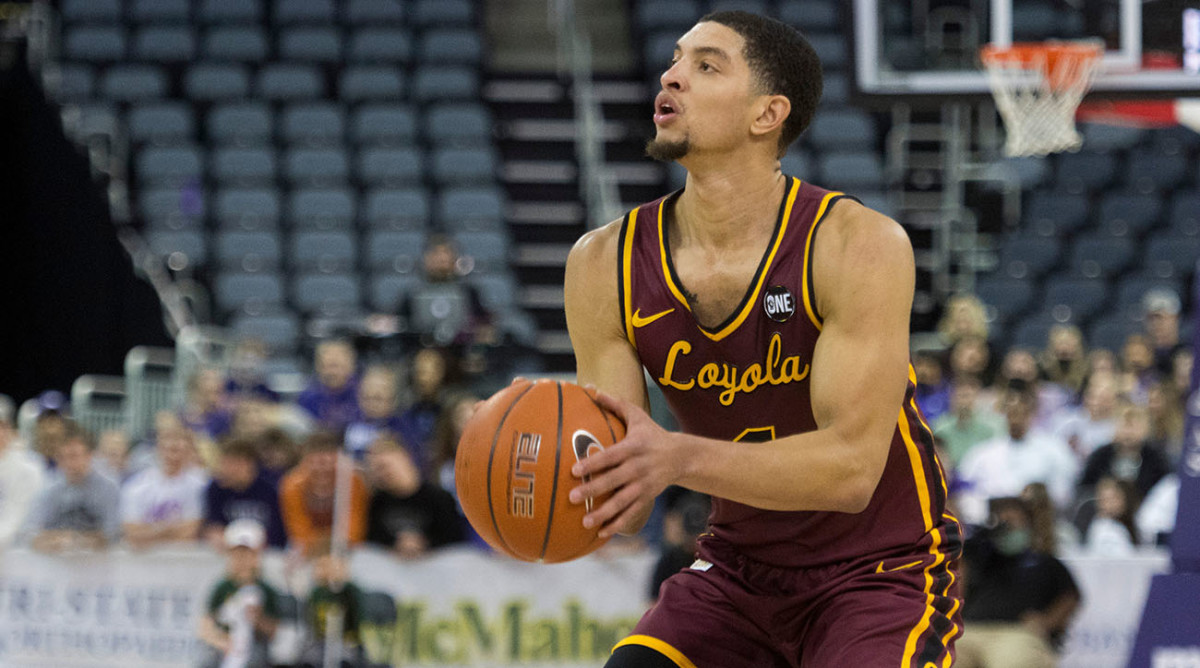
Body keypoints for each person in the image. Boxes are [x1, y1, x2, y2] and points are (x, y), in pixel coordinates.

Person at [562, 12, 961, 667]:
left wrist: (676, 457)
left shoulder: (855, 244)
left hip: (880, 572)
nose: (671, 75)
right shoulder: (601, 261)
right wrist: (552, 450)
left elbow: (851, 472)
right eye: (675, 60)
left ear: (766, 114)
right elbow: (626, 507)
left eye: (706, 65)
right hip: (738, 573)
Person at [955, 497, 1081, 668]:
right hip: (970, 630)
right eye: (1004, 522)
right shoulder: (978, 556)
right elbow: (957, 582)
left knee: (1014, 662)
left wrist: (1046, 622)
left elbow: (1071, 596)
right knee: (942, 660)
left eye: (1014, 521)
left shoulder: (1044, 561)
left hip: (1016, 632)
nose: (1009, 528)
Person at [954, 381, 1078, 525]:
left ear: (1031, 413)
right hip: (992, 524)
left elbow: (1064, 491)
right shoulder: (984, 453)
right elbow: (964, 488)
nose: (1015, 419)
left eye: (1021, 412)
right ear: (1004, 414)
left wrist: (1038, 499)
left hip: (1038, 523)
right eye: (1011, 413)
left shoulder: (1054, 450)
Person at [23, 421, 121, 552]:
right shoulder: (49, 490)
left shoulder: (108, 488)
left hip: (98, 565)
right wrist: (53, 540)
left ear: (89, 456)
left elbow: (113, 533)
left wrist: (75, 539)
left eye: (74, 456)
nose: (69, 463)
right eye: (63, 457)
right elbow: (31, 532)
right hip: (55, 566)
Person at [197, 519, 280, 668]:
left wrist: (258, 619)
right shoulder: (221, 588)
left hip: (255, 651)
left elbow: (274, 632)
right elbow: (206, 627)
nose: (242, 559)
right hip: (224, 650)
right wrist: (221, 641)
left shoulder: (267, 590)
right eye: (237, 554)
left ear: (257, 556)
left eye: (248, 554)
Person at [365, 436, 464, 559]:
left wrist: (424, 543)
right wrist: (396, 544)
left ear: (404, 458)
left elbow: (455, 540)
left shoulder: (439, 498)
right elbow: (372, 540)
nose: (382, 474)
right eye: (376, 470)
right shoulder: (378, 502)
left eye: (384, 466)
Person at [279, 432, 369, 557]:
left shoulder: (352, 481)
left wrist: (336, 550)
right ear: (304, 462)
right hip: (309, 547)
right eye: (314, 464)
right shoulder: (292, 485)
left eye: (328, 464)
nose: (322, 471)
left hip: (344, 546)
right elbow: (299, 532)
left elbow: (354, 529)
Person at [121, 423, 209, 549]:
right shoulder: (136, 485)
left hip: (185, 559)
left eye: (177, 450)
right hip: (144, 561)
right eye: (168, 449)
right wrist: (171, 530)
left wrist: (151, 531)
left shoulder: (200, 485)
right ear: (158, 449)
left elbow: (190, 532)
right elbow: (132, 533)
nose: (172, 456)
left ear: (189, 451)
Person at [203, 438, 289, 550]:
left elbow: (279, 532)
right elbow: (214, 526)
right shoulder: (216, 488)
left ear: (246, 464)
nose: (221, 469)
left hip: (267, 554)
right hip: (231, 553)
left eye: (227, 464)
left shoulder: (272, 488)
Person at [1077, 403, 1171, 501]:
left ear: (1146, 429)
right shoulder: (1100, 456)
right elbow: (1084, 489)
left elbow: (1165, 491)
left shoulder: (1156, 459)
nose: (1128, 433)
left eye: (1133, 427)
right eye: (1124, 426)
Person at [299, 541, 366, 668]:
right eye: (317, 565)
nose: (318, 571)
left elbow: (357, 618)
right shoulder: (316, 593)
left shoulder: (349, 592)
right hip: (319, 647)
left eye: (323, 565)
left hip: (347, 646)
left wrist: (342, 582)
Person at [0, 395, 45, 549]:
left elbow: (19, 517)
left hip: (17, 548)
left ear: (9, 429)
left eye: (2, 426)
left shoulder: (29, 467)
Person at [932, 375, 1002, 467]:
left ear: (977, 398)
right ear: (952, 399)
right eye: (960, 396)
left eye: (968, 396)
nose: (964, 402)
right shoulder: (940, 427)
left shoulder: (991, 428)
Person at [343, 366, 404, 462]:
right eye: (366, 398)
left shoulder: (403, 430)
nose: (371, 404)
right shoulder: (350, 426)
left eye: (377, 398)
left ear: (393, 400)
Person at [297, 340, 361, 432]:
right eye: (325, 366)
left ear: (351, 366)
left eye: (335, 366)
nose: (331, 373)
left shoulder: (363, 393)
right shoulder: (308, 397)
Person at [1080, 476, 1139, 556]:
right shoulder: (1104, 530)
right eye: (1104, 500)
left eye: (1115, 498)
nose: (1109, 504)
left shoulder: (1135, 523)